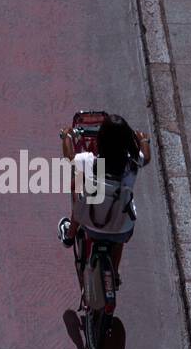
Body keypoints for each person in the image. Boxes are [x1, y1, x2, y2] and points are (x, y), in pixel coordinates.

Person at [58, 114, 151, 283]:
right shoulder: (132, 163)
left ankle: (70, 234)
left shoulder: (91, 162)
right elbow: (147, 156)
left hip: (89, 224)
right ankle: (114, 273)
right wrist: (143, 139)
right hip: (121, 229)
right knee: (119, 234)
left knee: (79, 187)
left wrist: (67, 136)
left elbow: (69, 158)